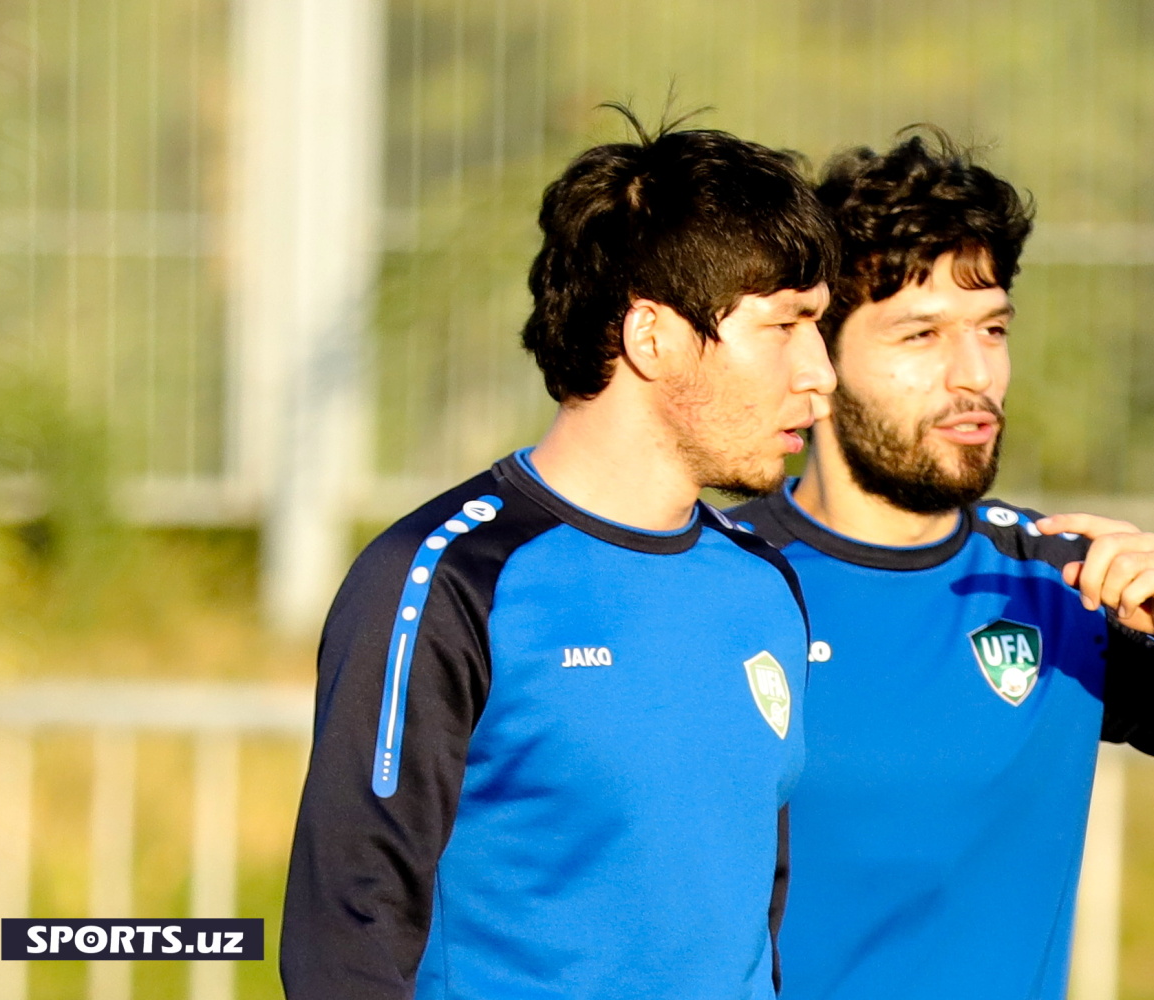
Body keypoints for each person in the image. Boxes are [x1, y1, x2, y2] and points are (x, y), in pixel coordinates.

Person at [730, 132, 1154, 1000]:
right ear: (819, 359)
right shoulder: (721, 580)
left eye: (992, 329)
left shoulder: (1059, 584)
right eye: (921, 334)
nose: (974, 374)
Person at [281, 113, 839, 1000]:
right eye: (784, 326)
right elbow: (349, 932)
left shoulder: (764, 585)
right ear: (651, 335)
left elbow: (745, 930)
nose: (821, 372)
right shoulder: (446, 578)